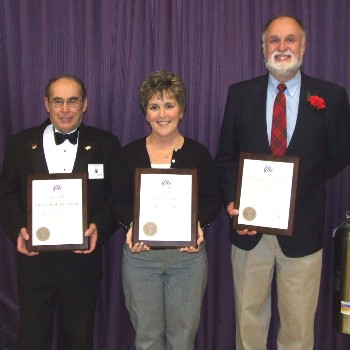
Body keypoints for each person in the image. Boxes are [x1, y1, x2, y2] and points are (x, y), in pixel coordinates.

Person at [215, 15, 350, 350]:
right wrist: (234, 204)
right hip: (249, 232)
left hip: (303, 228)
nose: (282, 47)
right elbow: (226, 157)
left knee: (298, 326)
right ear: (263, 47)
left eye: (290, 40)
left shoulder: (331, 96)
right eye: (274, 40)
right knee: (248, 323)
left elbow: (339, 154)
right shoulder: (240, 94)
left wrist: (298, 188)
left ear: (303, 47)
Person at [0, 74, 121, 350]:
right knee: (31, 340)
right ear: (47, 104)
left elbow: (116, 199)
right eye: (58, 101)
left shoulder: (106, 144)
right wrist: (18, 228)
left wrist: (98, 229)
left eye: (72, 101)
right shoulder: (20, 144)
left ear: (85, 104)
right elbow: (6, 195)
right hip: (35, 263)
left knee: (78, 341)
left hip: (81, 265)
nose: (65, 109)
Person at [114, 71, 221, 350]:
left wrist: (198, 226)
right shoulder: (128, 155)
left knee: (182, 339)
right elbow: (117, 200)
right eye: (154, 106)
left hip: (187, 259)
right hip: (141, 258)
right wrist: (131, 225)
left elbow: (212, 199)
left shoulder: (199, 154)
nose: (162, 114)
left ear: (181, 110)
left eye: (169, 105)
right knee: (147, 339)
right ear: (145, 113)